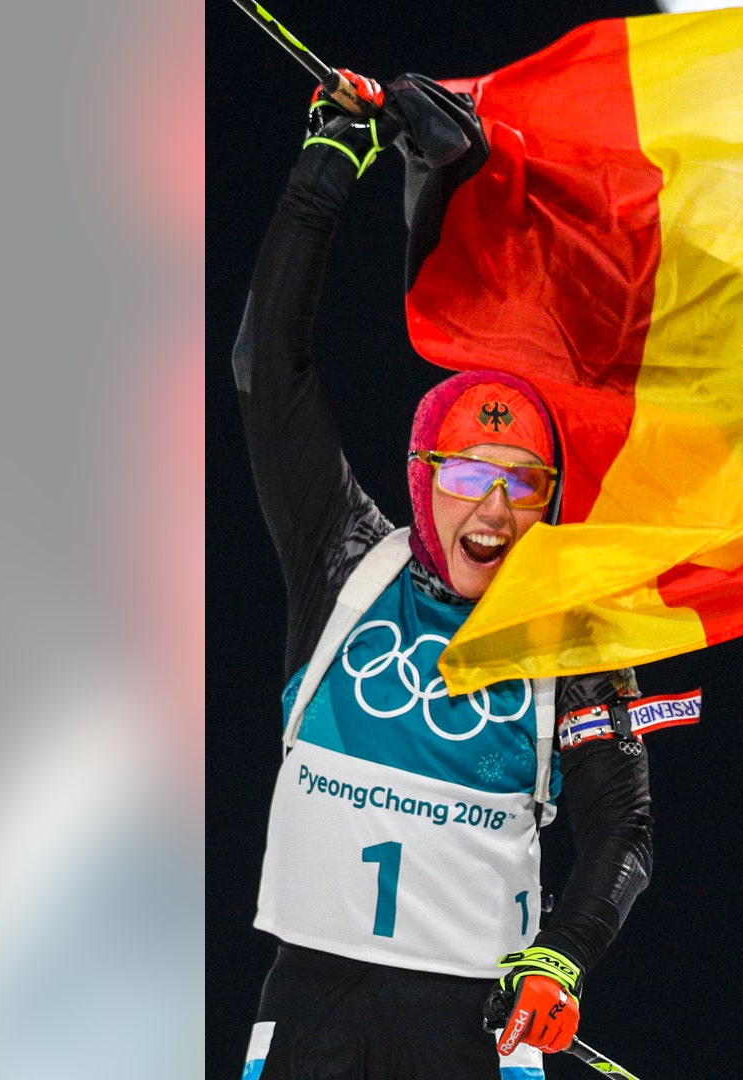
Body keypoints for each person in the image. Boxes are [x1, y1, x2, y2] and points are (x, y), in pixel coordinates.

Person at [232, 74, 659, 1079]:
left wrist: (564, 956)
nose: (495, 510)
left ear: (551, 501)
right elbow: (268, 367)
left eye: (524, 484)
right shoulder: (344, 557)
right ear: (424, 479)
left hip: (474, 1025)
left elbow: (623, 828)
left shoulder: (571, 637)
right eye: (469, 476)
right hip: (313, 1007)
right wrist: (325, 168)